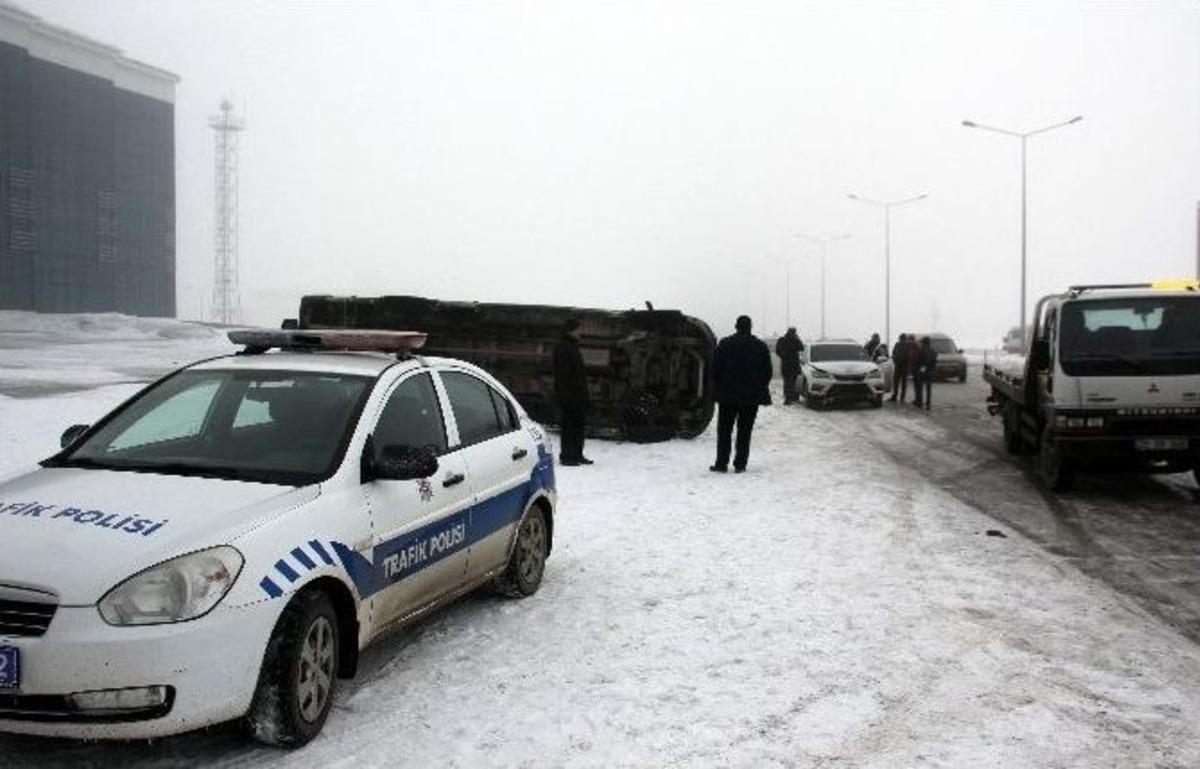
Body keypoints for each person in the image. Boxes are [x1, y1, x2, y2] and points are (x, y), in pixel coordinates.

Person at [711, 315, 772, 474]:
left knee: (724, 431)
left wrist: (719, 387)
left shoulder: (725, 344)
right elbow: (767, 372)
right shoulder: (760, 346)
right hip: (751, 397)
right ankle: (740, 465)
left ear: (736, 326)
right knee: (745, 432)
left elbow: (714, 369)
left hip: (727, 396)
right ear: (750, 327)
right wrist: (758, 387)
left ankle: (721, 464)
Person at [553, 318, 592, 465]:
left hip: (576, 394)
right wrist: (577, 389)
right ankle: (568, 456)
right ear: (572, 330)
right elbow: (565, 374)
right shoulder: (564, 347)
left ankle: (577, 454)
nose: (581, 332)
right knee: (569, 426)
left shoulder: (571, 346)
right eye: (579, 329)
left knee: (578, 425)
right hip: (569, 395)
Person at [774, 327, 804, 405]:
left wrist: (797, 339)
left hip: (793, 365)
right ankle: (788, 399)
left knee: (792, 382)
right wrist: (785, 355)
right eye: (793, 332)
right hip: (787, 364)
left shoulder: (794, 340)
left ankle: (792, 398)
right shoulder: (782, 340)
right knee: (788, 382)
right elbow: (778, 351)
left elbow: (801, 348)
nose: (794, 334)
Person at [914, 335, 937, 410]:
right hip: (930, 371)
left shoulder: (921, 350)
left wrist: (918, 369)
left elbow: (918, 361)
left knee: (920, 387)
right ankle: (928, 403)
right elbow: (934, 362)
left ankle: (919, 403)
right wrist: (932, 370)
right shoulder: (933, 350)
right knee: (928, 388)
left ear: (924, 343)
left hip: (922, 371)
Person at [889, 333, 909, 402]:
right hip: (898, 366)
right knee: (896, 382)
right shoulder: (897, 345)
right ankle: (895, 396)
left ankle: (902, 397)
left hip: (904, 367)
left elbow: (908, 356)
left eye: (902, 339)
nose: (901, 340)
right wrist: (895, 360)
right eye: (901, 339)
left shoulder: (907, 346)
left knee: (903, 383)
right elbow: (893, 353)